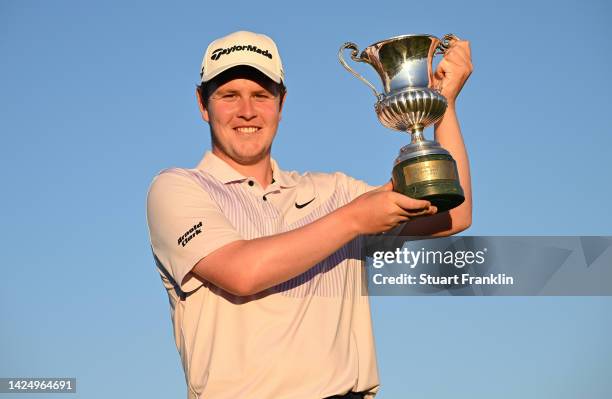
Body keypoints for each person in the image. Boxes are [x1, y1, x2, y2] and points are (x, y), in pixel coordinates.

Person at [146, 30, 472, 399]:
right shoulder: (177, 188)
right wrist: (354, 220)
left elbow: (453, 213)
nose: (247, 111)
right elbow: (242, 272)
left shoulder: (334, 192)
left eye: (261, 95)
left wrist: (444, 104)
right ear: (202, 104)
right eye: (228, 95)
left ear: (281, 104)